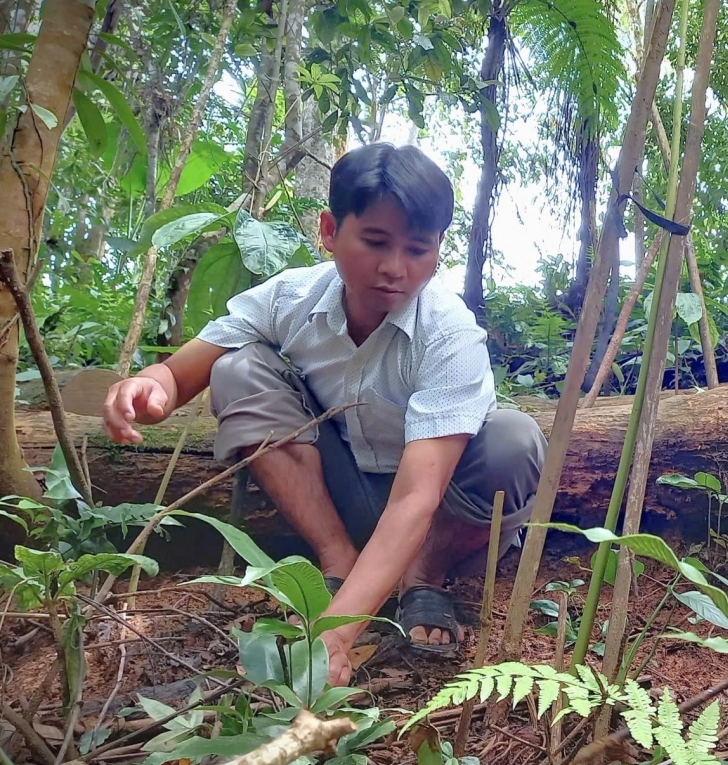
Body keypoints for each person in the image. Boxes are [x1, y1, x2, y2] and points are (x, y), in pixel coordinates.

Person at [103, 143, 548, 685]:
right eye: (376, 242)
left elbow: (416, 498)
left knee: (514, 439)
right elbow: (180, 374)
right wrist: (147, 386)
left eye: (417, 249)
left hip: (434, 510)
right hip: (336, 488)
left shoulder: (448, 332)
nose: (395, 268)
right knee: (237, 368)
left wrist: (335, 635)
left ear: (438, 249)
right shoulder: (291, 297)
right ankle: (336, 562)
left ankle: (422, 577)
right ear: (330, 231)